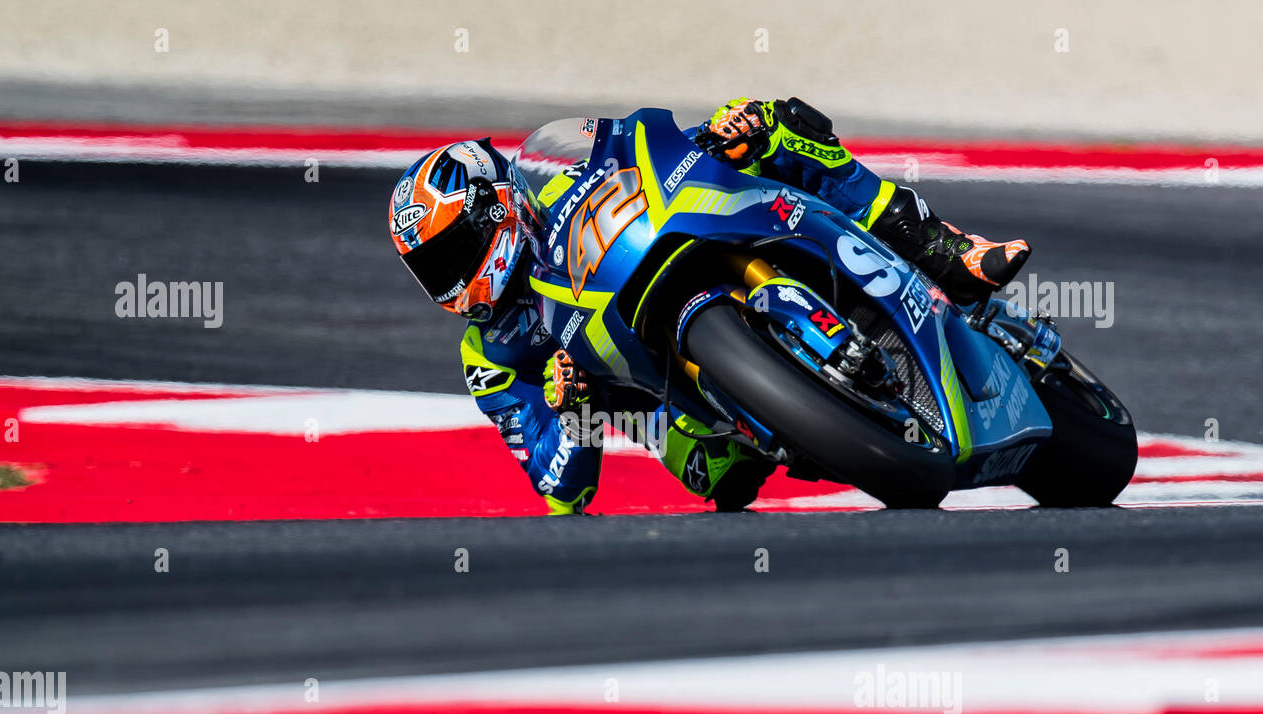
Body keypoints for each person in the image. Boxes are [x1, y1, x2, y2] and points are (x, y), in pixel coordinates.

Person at [388, 98, 1031, 514]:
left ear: (498, 206)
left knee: (774, 124)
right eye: (432, 270)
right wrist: (573, 407)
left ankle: (948, 250)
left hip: (663, 255)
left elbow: (645, 158)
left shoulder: (556, 189)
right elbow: (561, 486)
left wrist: (718, 134)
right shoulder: (490, 357)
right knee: (717, 477)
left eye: (454, 252)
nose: (454, 279)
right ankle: (783, 417)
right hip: (657, 401)